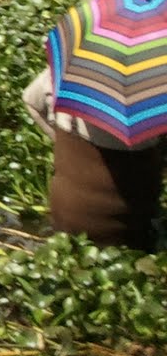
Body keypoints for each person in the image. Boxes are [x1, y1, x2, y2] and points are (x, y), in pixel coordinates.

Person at [22, 65, 163, 250]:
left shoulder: (72, 67)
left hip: (66, 218)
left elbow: (30, 100)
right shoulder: (158, 80)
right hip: (128, 232)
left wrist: (62, 143)